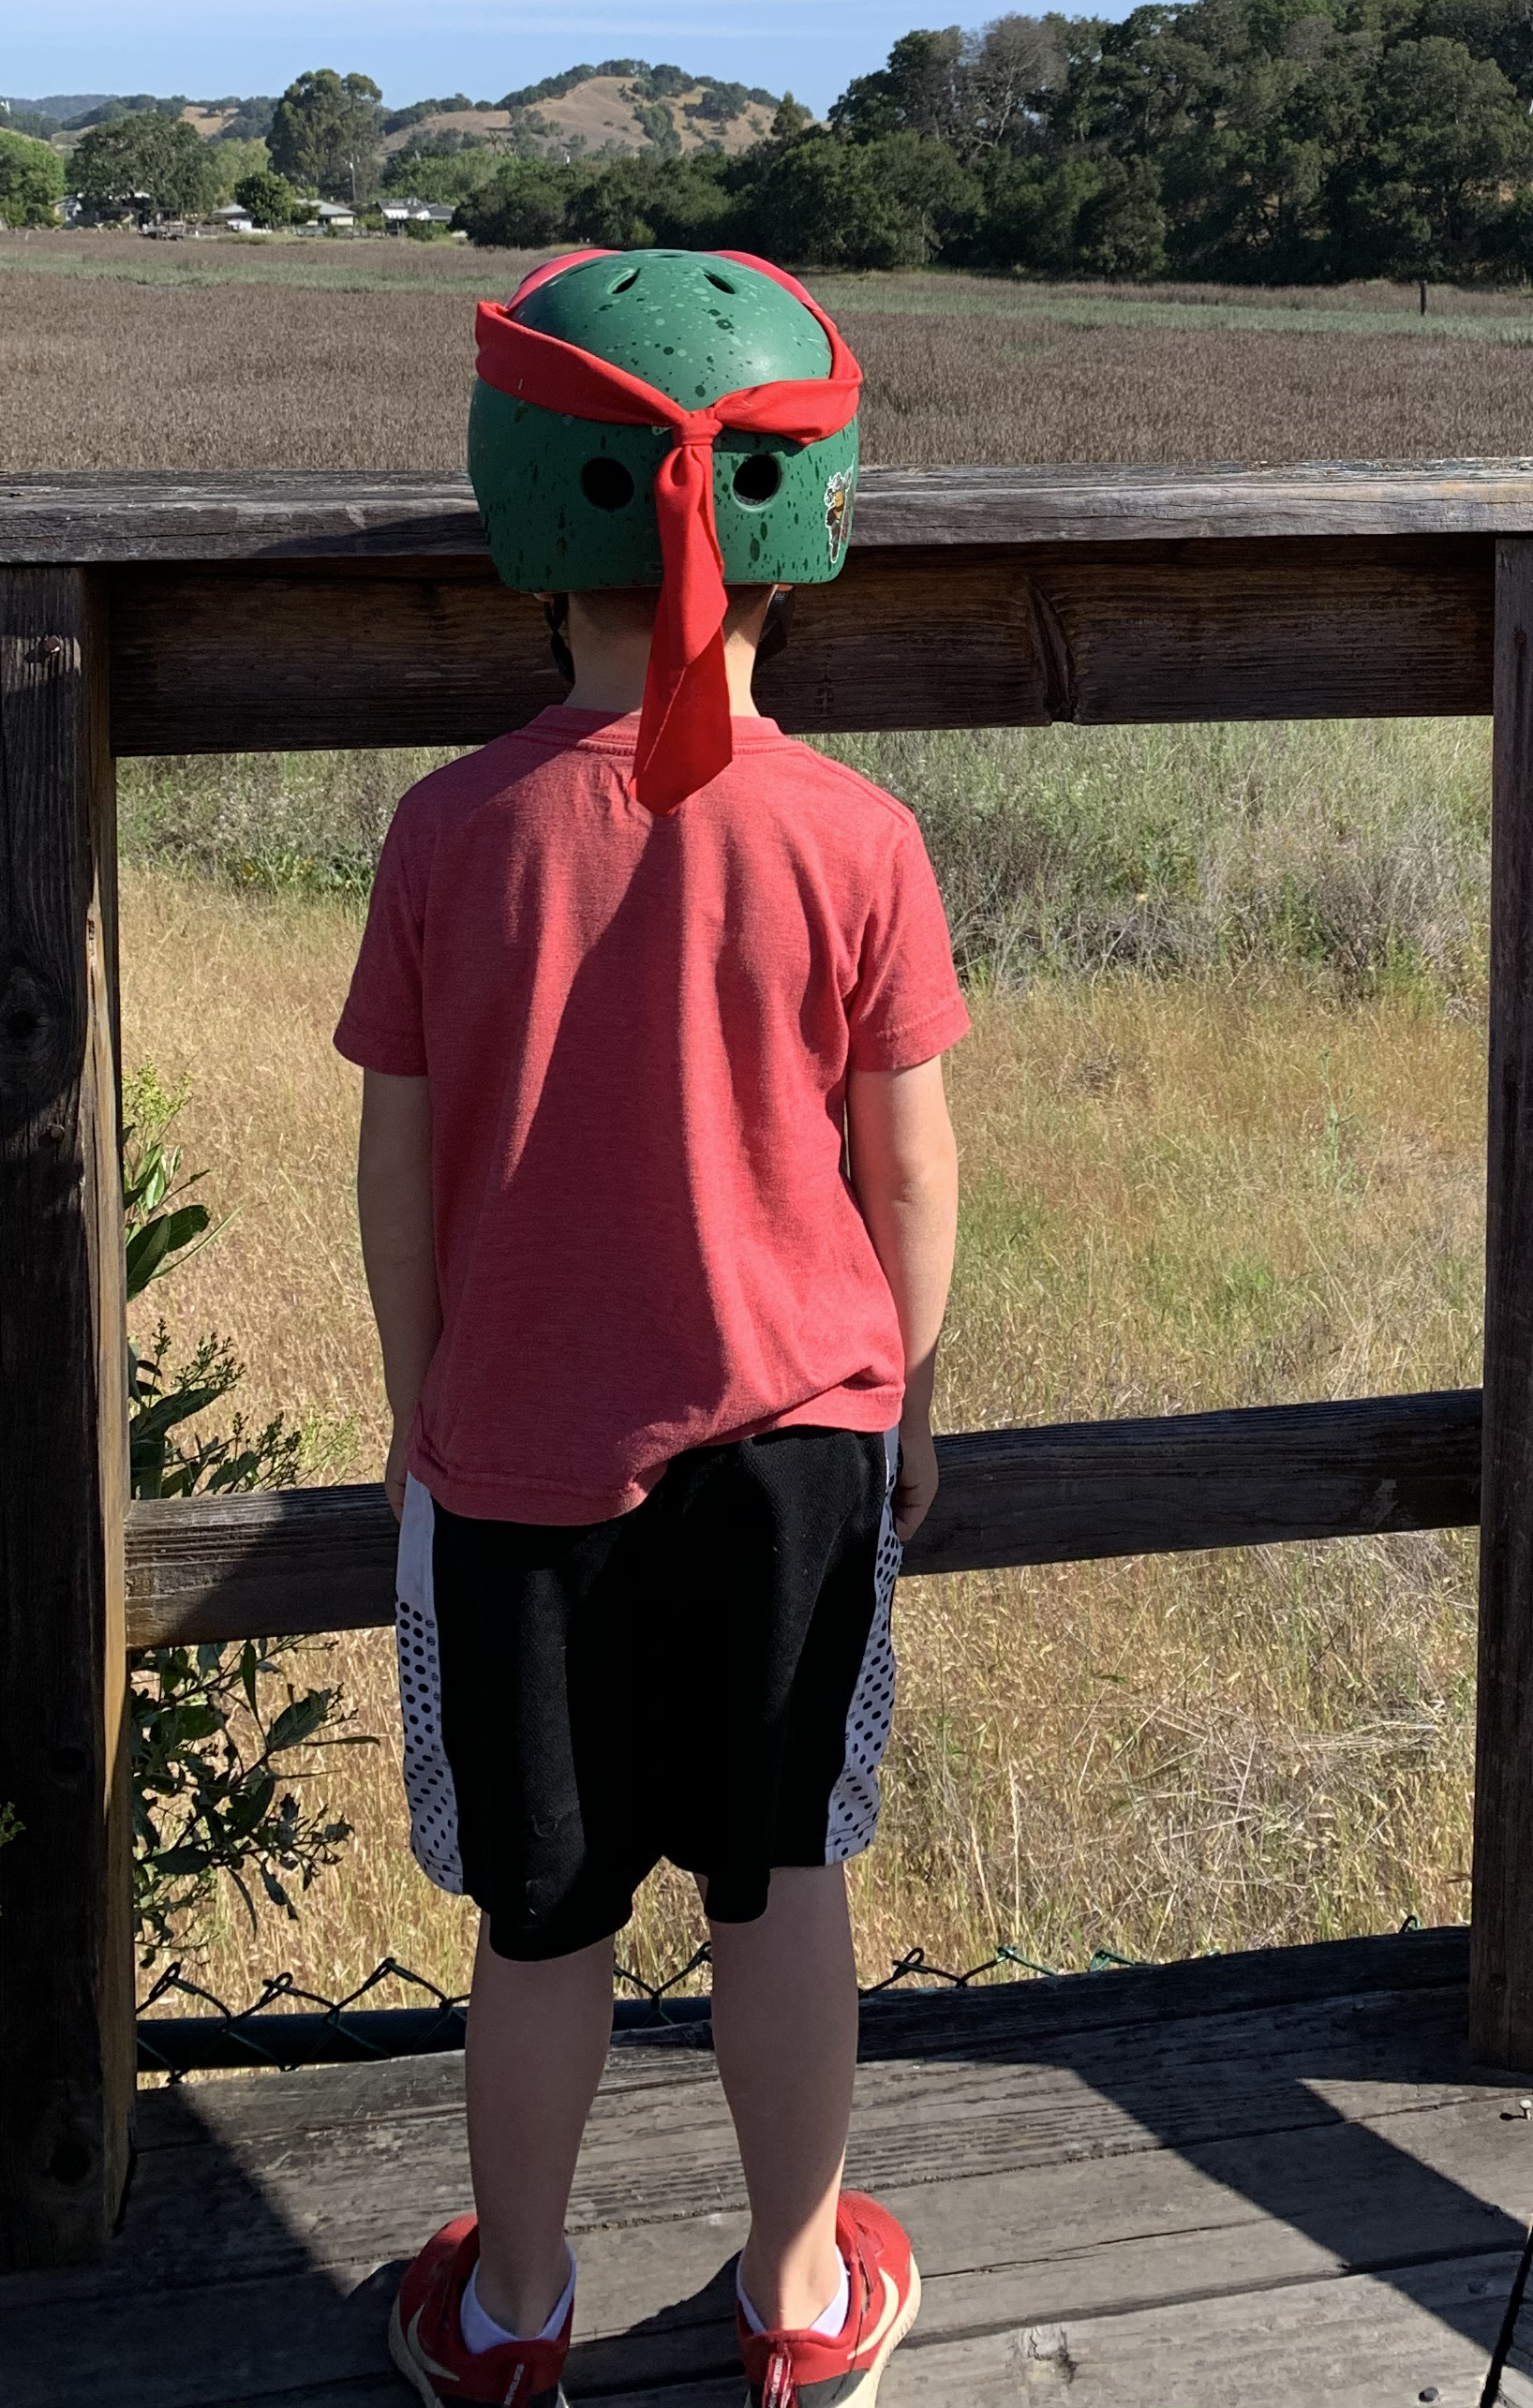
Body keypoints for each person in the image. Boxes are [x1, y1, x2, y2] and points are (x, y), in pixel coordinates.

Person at [339, 247, 966, 2405]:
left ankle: (514, 2314)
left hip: (516, 1452)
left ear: (528, 507)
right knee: (777, 1878)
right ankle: (801, 2298)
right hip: (802, 1445)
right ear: (810, 526)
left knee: (546, 1915)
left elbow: (399, 1174)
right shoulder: (860, 837)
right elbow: (912, 1177)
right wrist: (912, 1402)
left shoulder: (449, 832)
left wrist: (422, 1406)